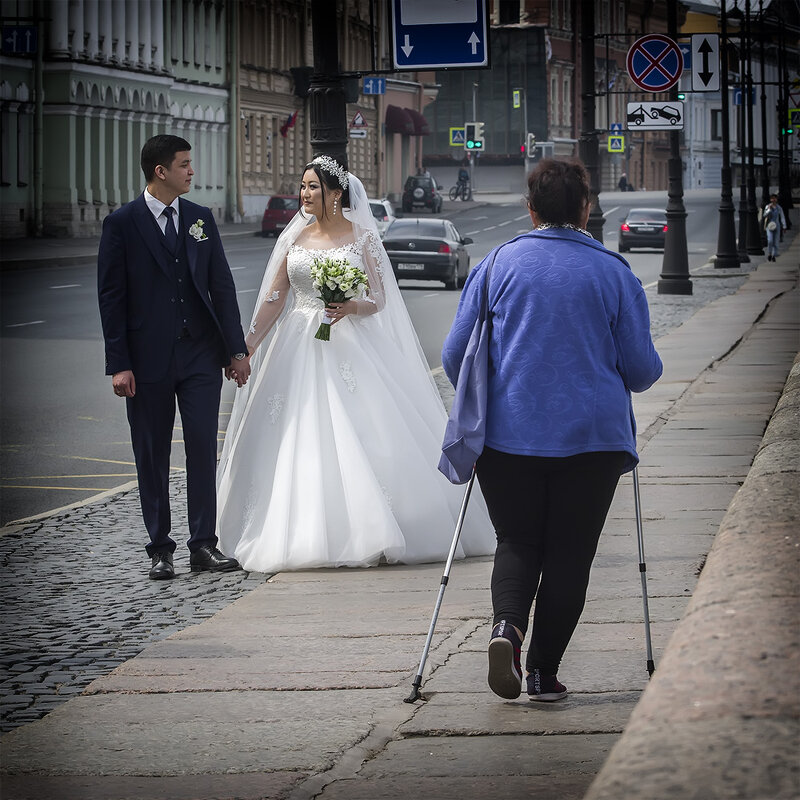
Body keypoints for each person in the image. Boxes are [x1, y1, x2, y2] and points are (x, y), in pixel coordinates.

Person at [442, 159, 663, 702]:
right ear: (587, 207)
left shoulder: (496, 265)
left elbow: (454, 357)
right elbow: (642, 370)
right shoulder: (615, 273)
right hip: (592, 442)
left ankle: (506, 630)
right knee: (570, 554)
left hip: (508, 438)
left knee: (516, 541)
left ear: (531, 207)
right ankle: (542, 673)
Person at [217, 155, 494, 573]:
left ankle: (375, 526)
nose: (305, 194)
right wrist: (247, 347)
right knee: (297, 431)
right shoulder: (294, 238)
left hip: (351, 342)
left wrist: (351, 305)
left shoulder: (363, 238)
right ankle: (299, 525)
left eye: (313, 186)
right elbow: (275, 299)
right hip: (298, 342)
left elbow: (381, 299)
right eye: (303, 186)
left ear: (336, 193)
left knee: (363, 429)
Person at [98, 134, 249, 580]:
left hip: (201, 353)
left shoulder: (200, 219)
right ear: (160, 172)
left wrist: (235, 349)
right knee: (152, 452)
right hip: (146, 361)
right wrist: (118, 363)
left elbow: (221, 286)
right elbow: (112, 298)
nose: (192, 171)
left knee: (203, 447)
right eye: (184, 164)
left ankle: (204, 545)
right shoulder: (122, 223)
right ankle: (160, 550)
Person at [763, 194, 787, 262]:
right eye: (772, 198)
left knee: (776, 241)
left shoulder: (779, 208)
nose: (773, 200)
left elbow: (782, 217)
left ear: (776, 199)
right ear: (770, 199)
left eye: (775, 198)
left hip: (777, 225)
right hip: (769, 225)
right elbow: (764, 215)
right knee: (770, 240)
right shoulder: (767, 206)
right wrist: (769, 210)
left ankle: (773, 255)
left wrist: (784, 226)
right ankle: (770, 253)